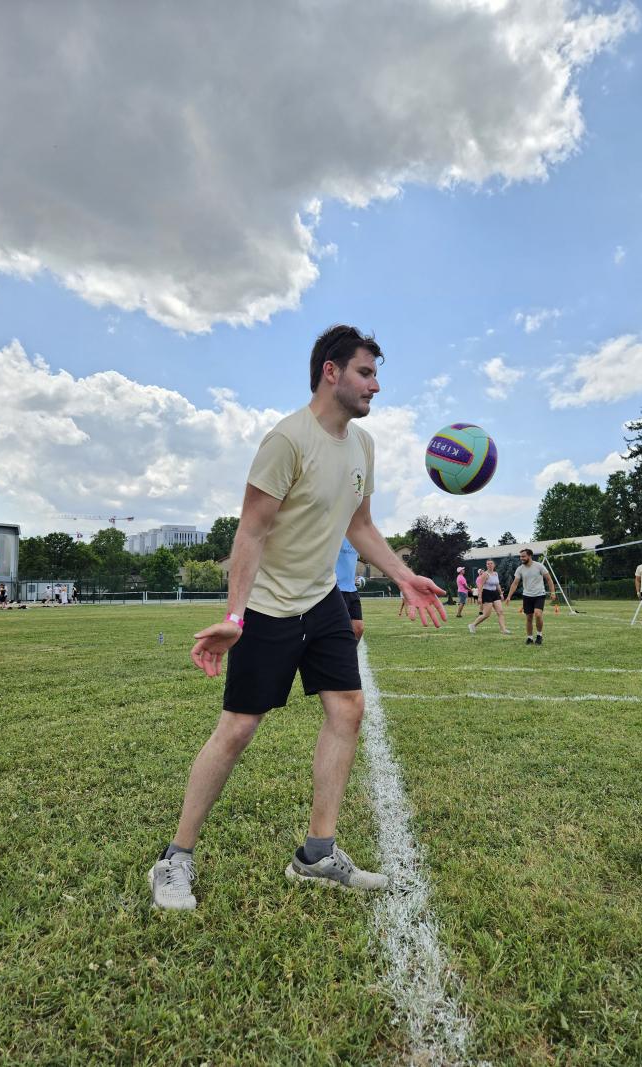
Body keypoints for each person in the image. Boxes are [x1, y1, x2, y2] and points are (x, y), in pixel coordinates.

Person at [148, 325, 447, 911]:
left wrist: (402, 574)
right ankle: (174, 859)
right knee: (238, 728)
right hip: (268, 606)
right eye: (365, 373)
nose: (376, 386)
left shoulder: (363, 446)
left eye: (376, 374)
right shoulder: (286, 440)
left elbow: (359, 524)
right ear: (331, 372)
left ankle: (316, 854)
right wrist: (235, 616)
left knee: (347, 709)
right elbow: (251, 531)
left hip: (322, 600)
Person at [505, 548, 556, 645]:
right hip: (527, 596)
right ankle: (529, 638)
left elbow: (549, 579)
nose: (521, 558)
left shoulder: (539, 566)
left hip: (539, 594)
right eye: (520, 556)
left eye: (523, 556)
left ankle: (539, 635)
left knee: (538, 614)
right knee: (529, 617)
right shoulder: (520, 569)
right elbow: (515, 583)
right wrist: (509, 596)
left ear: (529, 556)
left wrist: (552, 592)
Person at [469, 559, 510, 635]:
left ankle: (503, 630)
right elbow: (480, 586)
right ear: (486, 565)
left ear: (494, 565)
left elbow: (497, 584)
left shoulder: (496, 574)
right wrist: (479, 597)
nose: (489, 565)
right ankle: (473, 625)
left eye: (491, 563)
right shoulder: (485, 574)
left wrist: (501, 594)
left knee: (500, 612)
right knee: (486, 614)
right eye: (488, 564)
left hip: (495, 593)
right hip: (487, 593)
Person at [336, 536, 364, 642]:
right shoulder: (336, 533)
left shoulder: (356, 537)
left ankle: (350, 651)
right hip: (335, 589)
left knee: (358, 628)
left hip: (352, 589)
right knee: (337, 628)